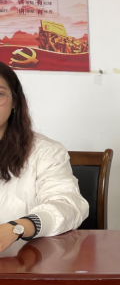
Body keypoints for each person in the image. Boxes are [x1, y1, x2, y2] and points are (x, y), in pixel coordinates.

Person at [0, 62, 89, 253]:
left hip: (23, 259)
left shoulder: (46, 152)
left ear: (15, 101)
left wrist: (18, 227)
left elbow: (67, 204)